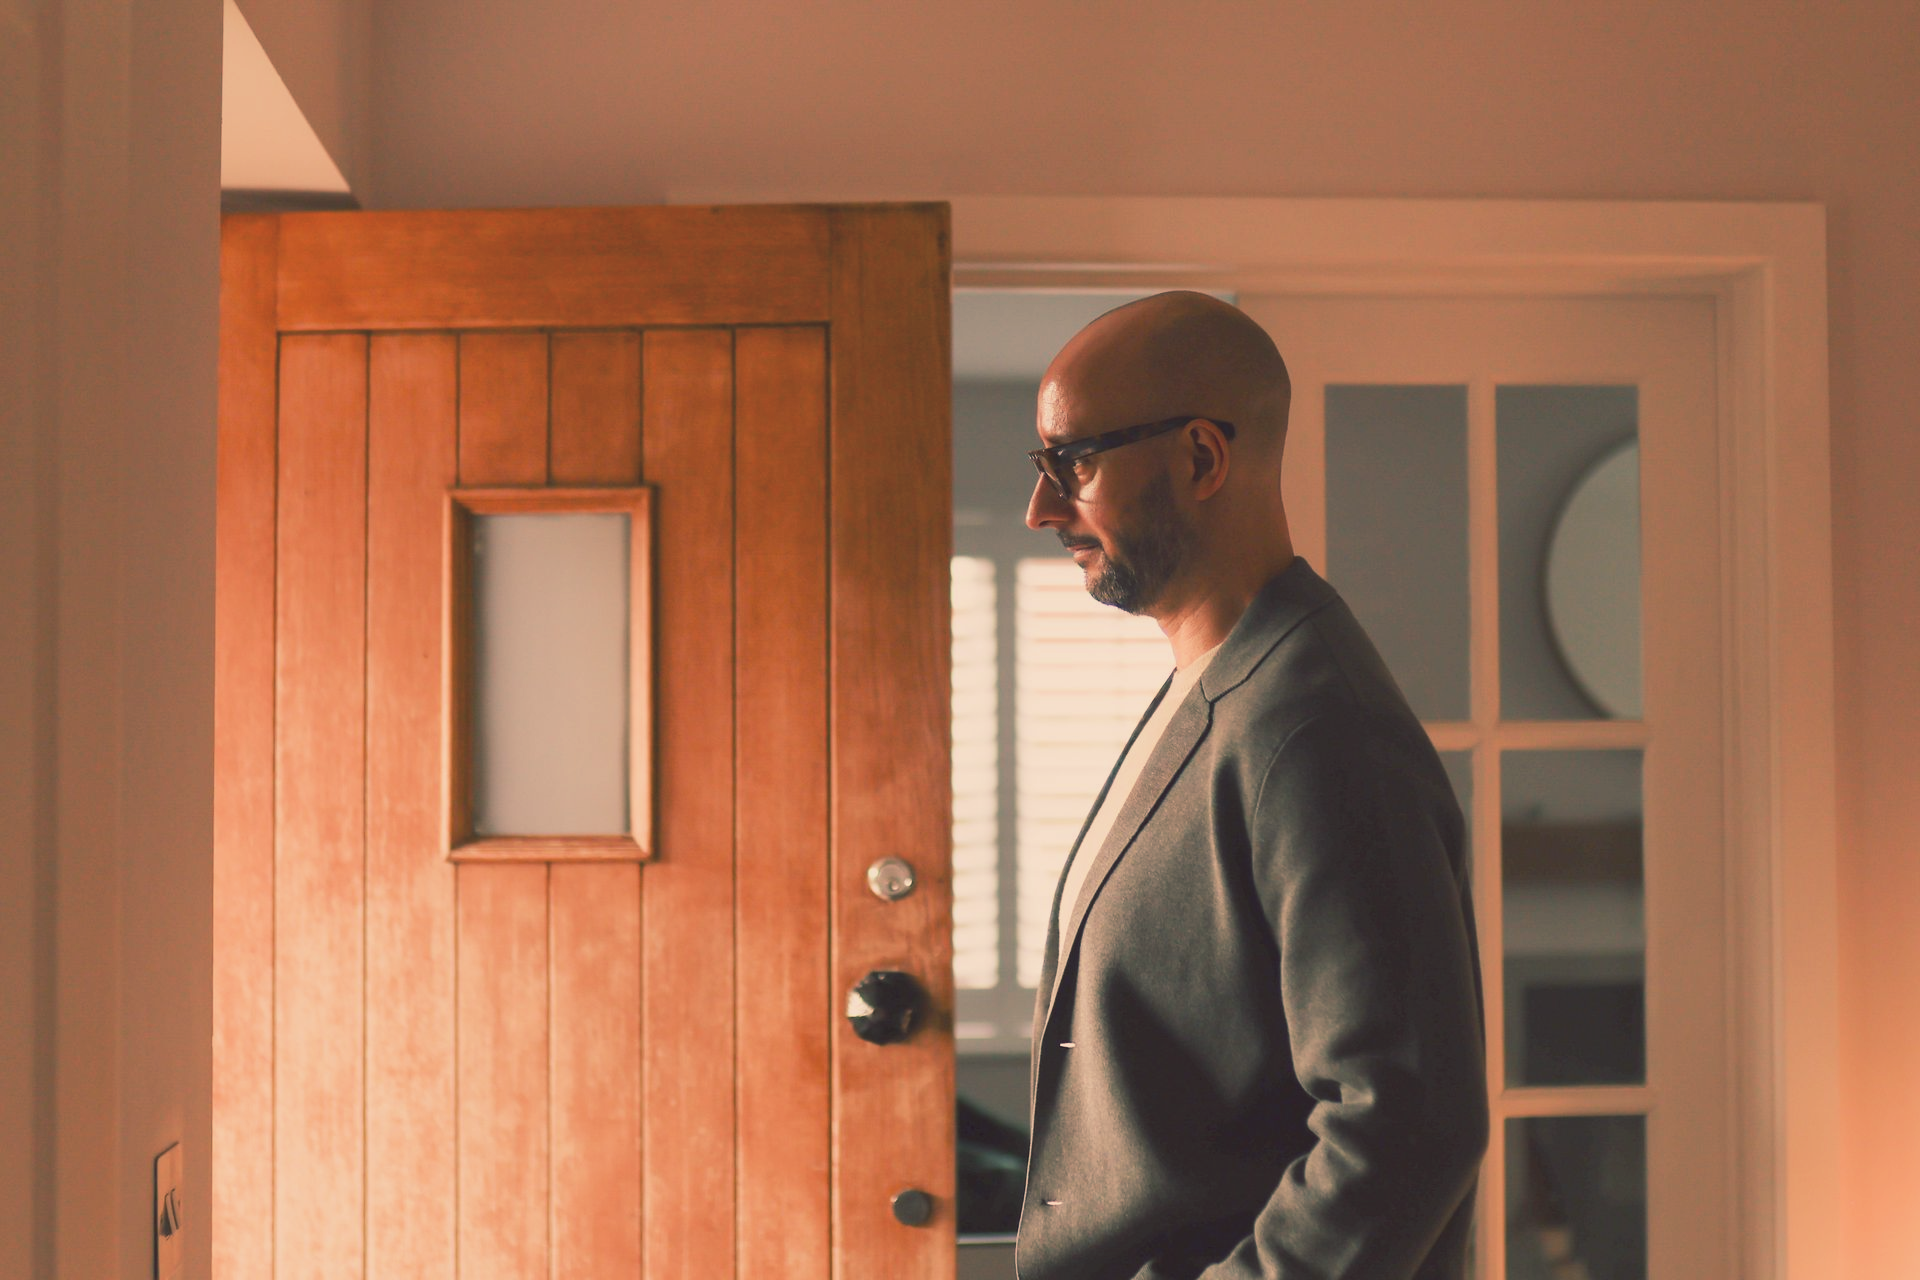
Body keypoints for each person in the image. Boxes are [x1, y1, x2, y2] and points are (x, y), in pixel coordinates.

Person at [1015, 292, 1487, 1279]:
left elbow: (1405, 1126)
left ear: (1201, 458)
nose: (1043, 509)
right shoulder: (1216, 686)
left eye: (1076, 463)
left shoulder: (1318, 728)